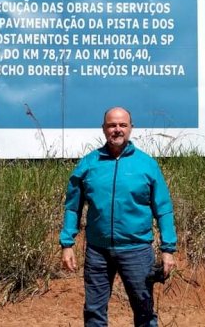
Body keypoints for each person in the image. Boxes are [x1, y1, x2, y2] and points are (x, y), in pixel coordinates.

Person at [59, 106, 177, 327]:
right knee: (94, 313)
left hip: (137, 250)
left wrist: (168, 250)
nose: (117, 129)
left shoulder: (147, 164)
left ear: (131, 128)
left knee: (144, 311)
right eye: (112, 125)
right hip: (97, 252)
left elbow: (163, 209)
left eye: (122, 125)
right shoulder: (88, 164)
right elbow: (72, 207)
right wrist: (67, 243)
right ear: (103, 129)